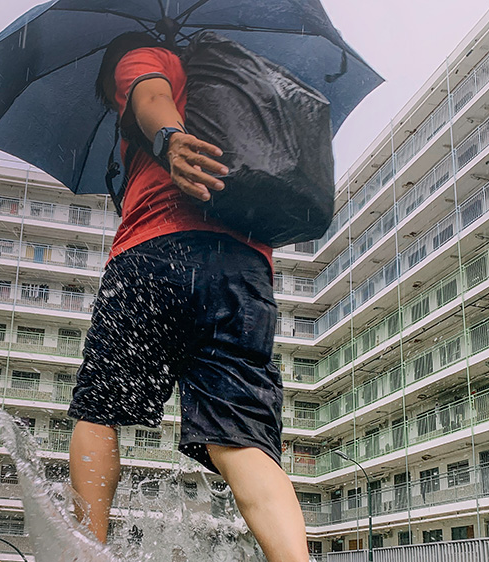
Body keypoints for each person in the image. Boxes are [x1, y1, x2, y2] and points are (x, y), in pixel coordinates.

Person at [66, 32, 309, 562]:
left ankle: (83, 555)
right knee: (241, 436)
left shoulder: (148, 58)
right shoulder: (243, 90)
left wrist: (169, 139)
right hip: (245, 272)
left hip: (158, 254)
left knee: (99, 410)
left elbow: (150, 96)